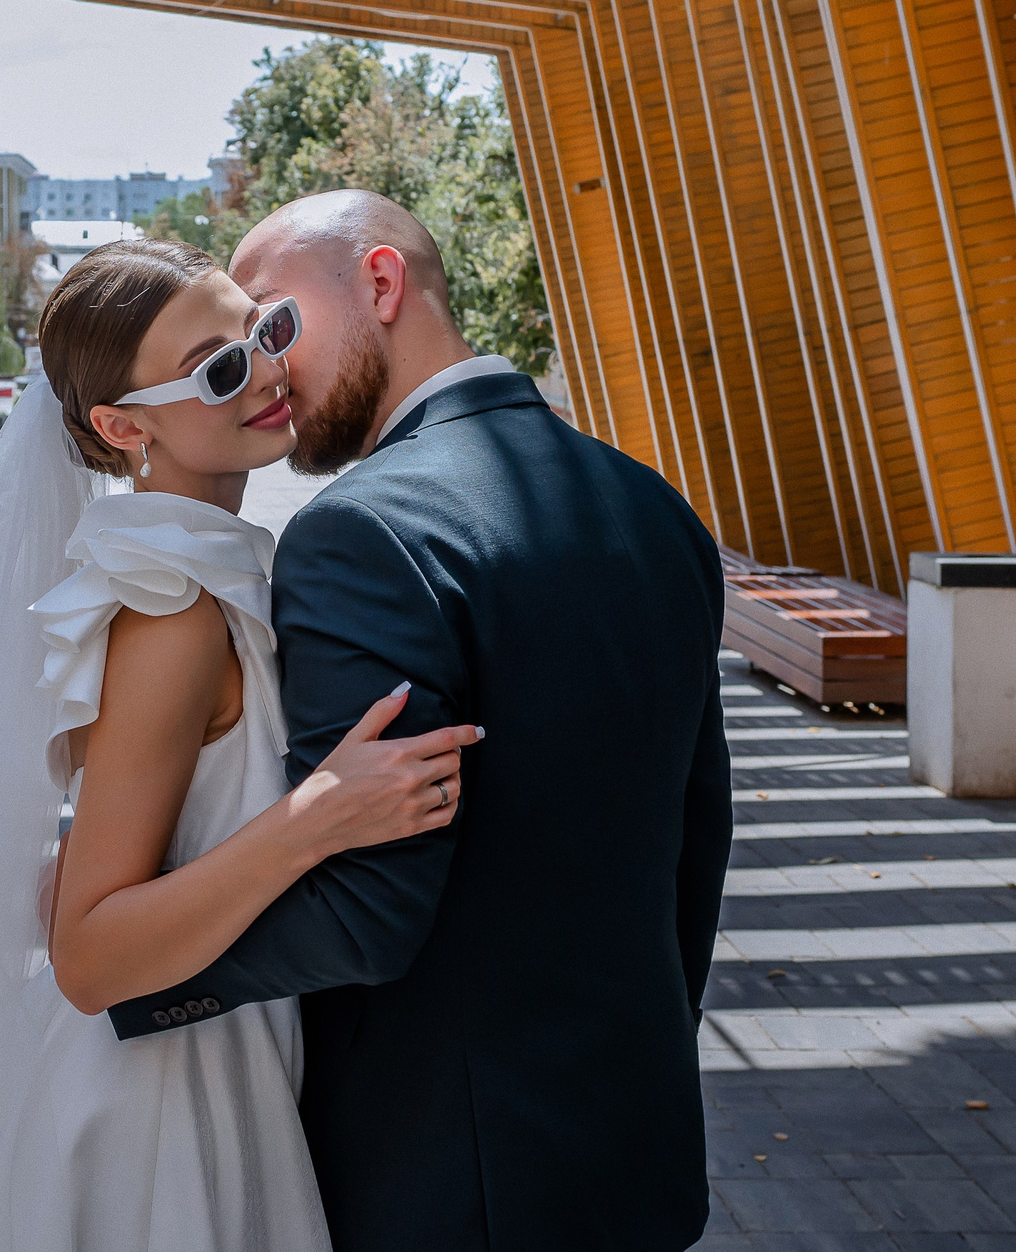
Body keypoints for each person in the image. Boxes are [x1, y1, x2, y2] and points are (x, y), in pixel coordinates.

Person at [0, 236, 480, 1252]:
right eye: (219, 369)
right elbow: (88, 957)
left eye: (266, 333)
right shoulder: (171, 608)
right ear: (122, 425)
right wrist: (315, 817)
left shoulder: (186, 573)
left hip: (207, 1043)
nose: (267, 372)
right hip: (161, 1104)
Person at [105, 190, 732, 1252]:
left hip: (446, 1179)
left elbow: (365, 914)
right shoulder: (656, 507)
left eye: (274, 321)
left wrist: (125, 968)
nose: (265, 369)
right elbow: (696, 839)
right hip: (633, 1148)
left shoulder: (360, 532)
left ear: (382, 282)